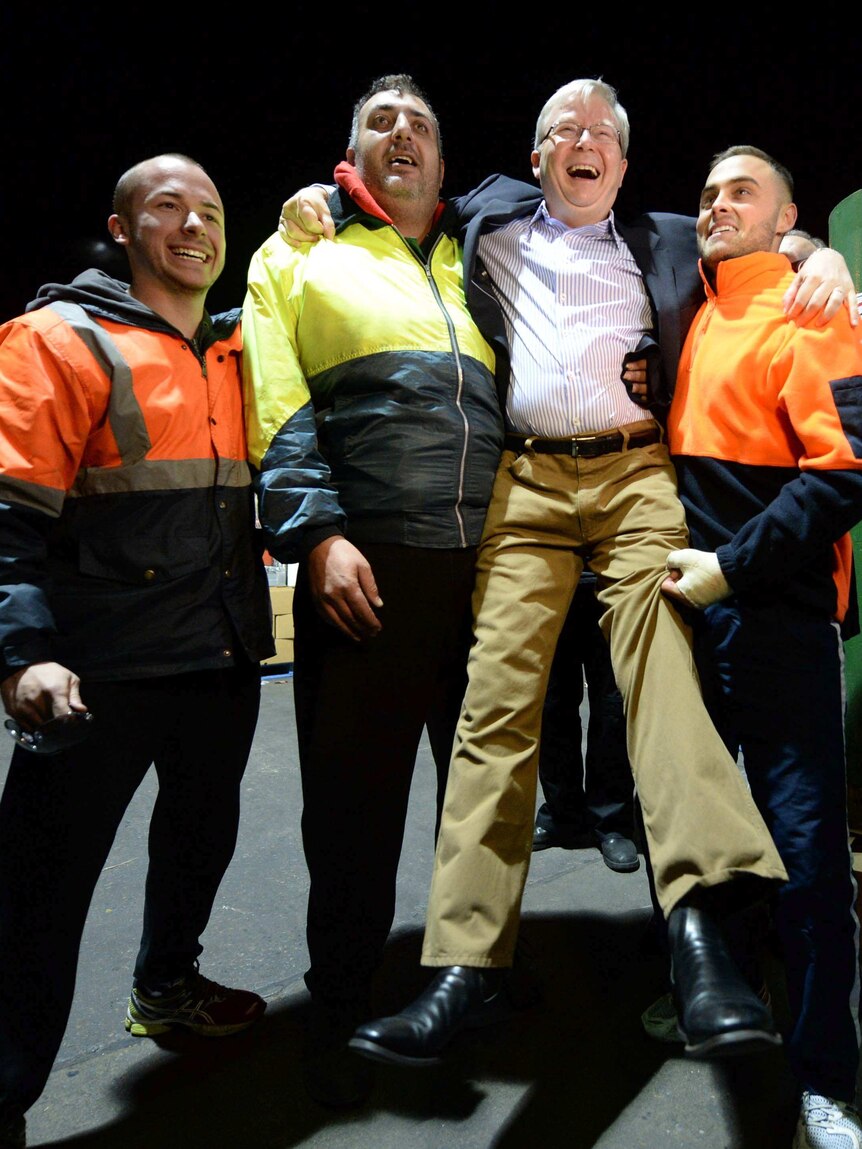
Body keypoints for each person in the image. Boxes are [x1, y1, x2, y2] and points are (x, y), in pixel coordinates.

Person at [281, 78, 857, 1073]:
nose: (585, 141)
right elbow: (398, 200)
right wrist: (328, 199)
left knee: (659, 678)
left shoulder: (671, 239)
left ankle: (699, 941)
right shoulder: (490, 221)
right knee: (494, 707)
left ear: (624, 166)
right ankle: (463, 967)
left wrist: (820, 253)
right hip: (530, 482)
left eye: (604, 133)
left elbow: (762, 241)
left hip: (637, 476)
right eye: (565, 131)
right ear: (538, 156)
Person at [241, 75, 506, 1108]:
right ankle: (342, 1000)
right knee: (352, 804)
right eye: (380, 123)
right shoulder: (296, 253)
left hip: (482, 569)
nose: (403, 136)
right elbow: (276, 394)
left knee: (477, 800)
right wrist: (315, 537)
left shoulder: (470, 265)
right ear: (351, 151)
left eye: (421, 126)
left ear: (441, 163)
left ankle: (464, 980)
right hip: (366, 562)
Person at [0, 153, 274, 1149]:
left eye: (210, 209)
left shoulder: (243, 349)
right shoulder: (56, 340)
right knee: (37, 896)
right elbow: (6, 519)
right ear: (122, 230)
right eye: (169, 208)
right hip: (93, 671)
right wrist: (21, 656)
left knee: (198, 842)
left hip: (218, 658)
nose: (195, 225)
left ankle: (169, 988)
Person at [659, 144, 862, 1149]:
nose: (715, 204)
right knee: (711, 838)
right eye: (705, 192)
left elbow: (843, 475)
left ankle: (825, 1076)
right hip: (697, 614)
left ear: (786, 216)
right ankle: (722, 995)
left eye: (740, 191)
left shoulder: (810, 307)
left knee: (809, 856)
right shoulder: (691, 306)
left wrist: (730, 568)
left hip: (773, 616)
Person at [532, 571, 640, 874]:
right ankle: (561, 812)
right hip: (550, 581)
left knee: (611, 710)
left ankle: (612, 821)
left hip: (611, 580)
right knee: (552, 705)